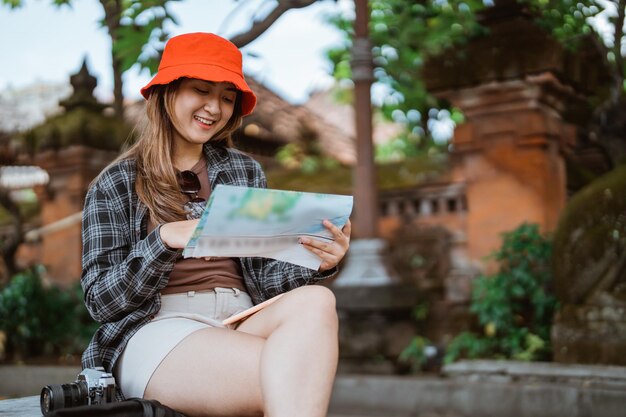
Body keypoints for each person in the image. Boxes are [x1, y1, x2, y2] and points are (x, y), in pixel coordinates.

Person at [80, 32, 351, 417]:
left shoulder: (243, 170)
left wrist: (317, 259)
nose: (215, 107)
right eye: (201, 90)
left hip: (242, 318)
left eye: (227, 97)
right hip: (159, 329)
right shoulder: (117, 182)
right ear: (167, 92)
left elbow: (262, 276)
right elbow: (100, 300)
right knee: (292, 374)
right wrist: (162, 242)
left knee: (317, 299)